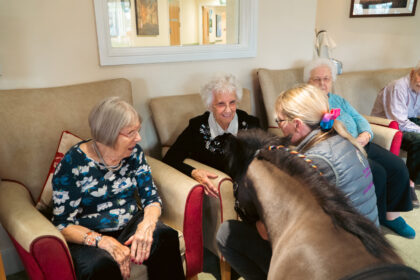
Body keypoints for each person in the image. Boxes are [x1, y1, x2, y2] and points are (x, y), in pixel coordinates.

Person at [217, 84, 380, 280]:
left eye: (280, 120)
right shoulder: (342, 140)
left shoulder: (315, 161)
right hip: (369, 251)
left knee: (227, 234)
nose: (278, 126)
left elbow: (272, 230)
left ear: (297, 124)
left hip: (337, 266)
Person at [51, 97, 184, 280]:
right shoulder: (73, 164)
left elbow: (151, 198)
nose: (138, 138)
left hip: (129, 223)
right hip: (88, 234)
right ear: (109, 134)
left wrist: (147, 224)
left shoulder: (134, 153)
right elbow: (63, 224)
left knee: (165, 237)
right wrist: (104, 242)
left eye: (138, 131)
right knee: (100, 267)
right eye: (130, 132)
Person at [304, 58, 415, 238]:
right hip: (343, 150)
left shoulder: (339, 100)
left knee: (397, 166)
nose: (322, 83)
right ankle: (374, 223)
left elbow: (359, 118)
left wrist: (365, 134)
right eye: (317, 79)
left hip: (362, 142)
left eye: (326, 78)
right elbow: (315, 132)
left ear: (332, 80)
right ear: (308, 81)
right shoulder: (308, 104)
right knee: (377, 173)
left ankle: (391, 216)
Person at [163, 73, 260, 197]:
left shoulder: (251, 123)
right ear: (210, 105)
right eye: (221, 104)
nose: (228, 110)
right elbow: (170, 159)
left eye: (232, 102)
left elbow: (266, 156)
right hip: (219, 195)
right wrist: (194, 172)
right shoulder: (197, 127)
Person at [371, 61, 420, 190]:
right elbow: (400, 122)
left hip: (406, 121)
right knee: (418, 140)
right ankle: (410, 183)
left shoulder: (418, 88)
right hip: (386, 126)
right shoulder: (398, 87)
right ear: (412, 73)